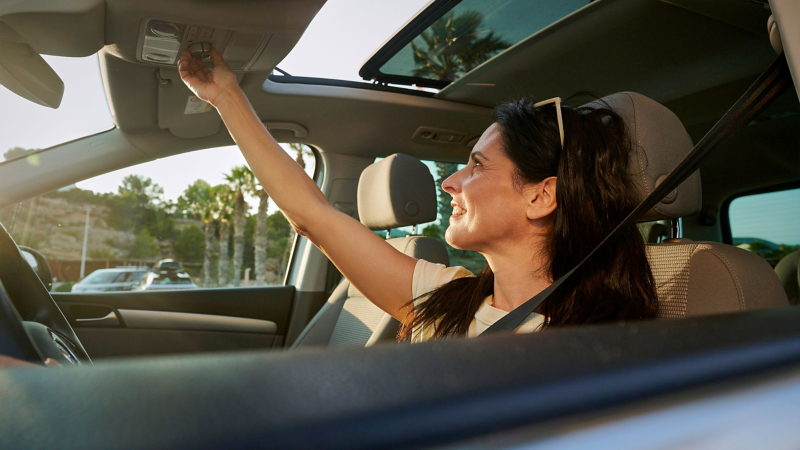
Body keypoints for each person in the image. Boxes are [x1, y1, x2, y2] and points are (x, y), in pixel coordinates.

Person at [178, 50, 658, 343]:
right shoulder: (444, 296)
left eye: (477, 165)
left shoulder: (599, 345)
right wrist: (225, 95)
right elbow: (313, 216)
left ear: (541, 197)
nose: (450, 182)